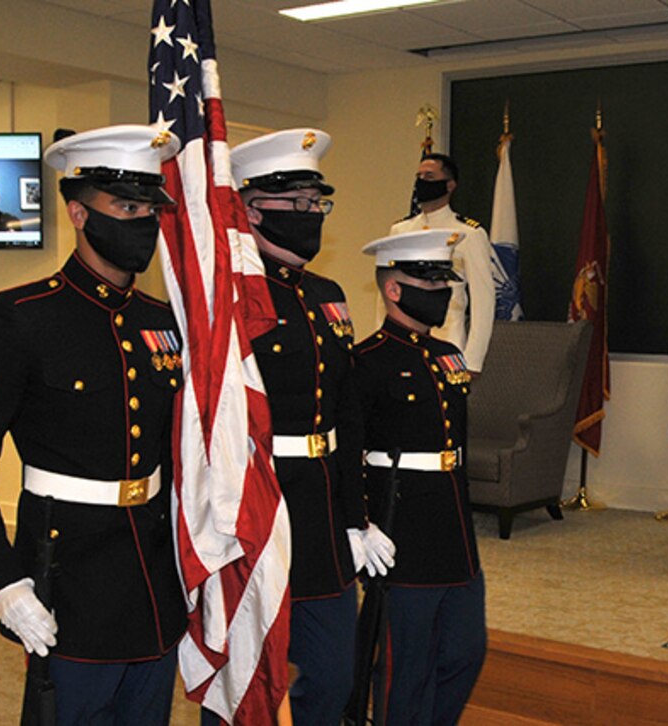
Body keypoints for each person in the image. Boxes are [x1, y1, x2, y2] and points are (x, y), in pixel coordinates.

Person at [0, 125, 188, 723]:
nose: (143, 222)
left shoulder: (162, 319)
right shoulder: (18, 318)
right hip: (68, 576)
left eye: (150, 209)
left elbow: (177, 449)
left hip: (154, 575)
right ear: (78, 212)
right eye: (126, 207)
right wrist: (3, 581)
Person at [228, 128, 394, 726]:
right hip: (259, 502)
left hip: (322, 509)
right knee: (246, 680)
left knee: (333, 673)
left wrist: (356, 516)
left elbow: (347, 414)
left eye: (317, 204)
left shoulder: (328, 294)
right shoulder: (230, 294)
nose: (310, 215)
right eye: (294, 204)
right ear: (250, 209)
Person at [355, 229, 486, 725]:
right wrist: (360, 523)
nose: (440, 292)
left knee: (465, 652)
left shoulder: (449, 355)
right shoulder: (366, 361)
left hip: (453, 528)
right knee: (402, 666)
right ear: (394, 289)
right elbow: (352, 452)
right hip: (401, 529)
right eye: (427, 281)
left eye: (442, 281)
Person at [388, 153, 496, 374]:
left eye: (429, 176)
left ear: (449, 185)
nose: (421, 182)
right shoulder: (400, 231)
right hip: (404, 345)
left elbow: (483, 302)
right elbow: (388, 294)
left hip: (447, 342)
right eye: (418, 176)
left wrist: (473, 360)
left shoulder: (469, 234)